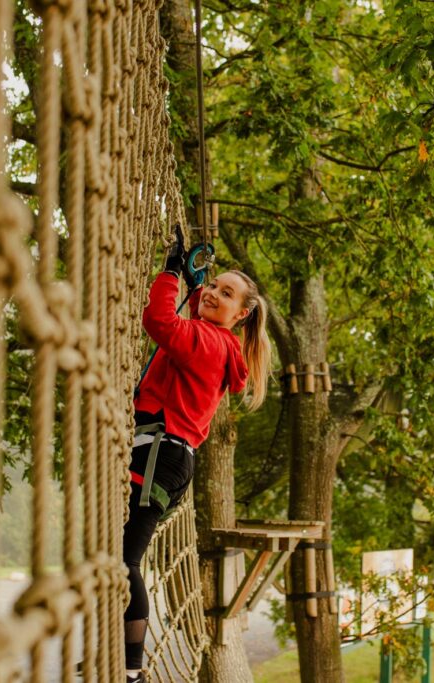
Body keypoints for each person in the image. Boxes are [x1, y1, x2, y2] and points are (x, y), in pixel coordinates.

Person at [121, 233, 271, 682]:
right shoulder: (212, 339)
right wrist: (189, 283)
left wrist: (170, 274)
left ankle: (131, 672)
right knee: (119, 554)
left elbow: (160, 322)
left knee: (124, 561)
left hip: (159, 457)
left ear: (240, 314)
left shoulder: (212, 344)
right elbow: (180, 323)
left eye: (226, 293)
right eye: (213, 286)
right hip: (162, 455)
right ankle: (124, 661)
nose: (214, 294)